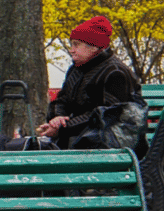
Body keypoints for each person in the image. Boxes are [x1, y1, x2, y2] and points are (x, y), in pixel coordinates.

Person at [37, 16, 142, 150]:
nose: (71, 50)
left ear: (93, 47)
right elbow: (62, 100)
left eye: (76, 44)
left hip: (110, 145)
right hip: (79, 137)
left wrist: (63, 128)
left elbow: (106, 116)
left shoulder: (115, 73)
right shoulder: (76, 69)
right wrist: (58, 119)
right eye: (71, 44)